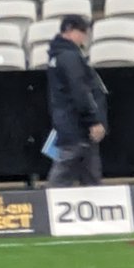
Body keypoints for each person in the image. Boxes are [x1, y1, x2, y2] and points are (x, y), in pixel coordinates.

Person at [45, 15, 107, 188]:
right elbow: (80, 91)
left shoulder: (57, 56)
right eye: (83, 32)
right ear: (70, 30)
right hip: (77, 126)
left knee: (90, 175)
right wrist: (92, 121)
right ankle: (45, 205)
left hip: (71, 124)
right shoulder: (70, 57)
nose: (85, 38)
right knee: (62, 174)